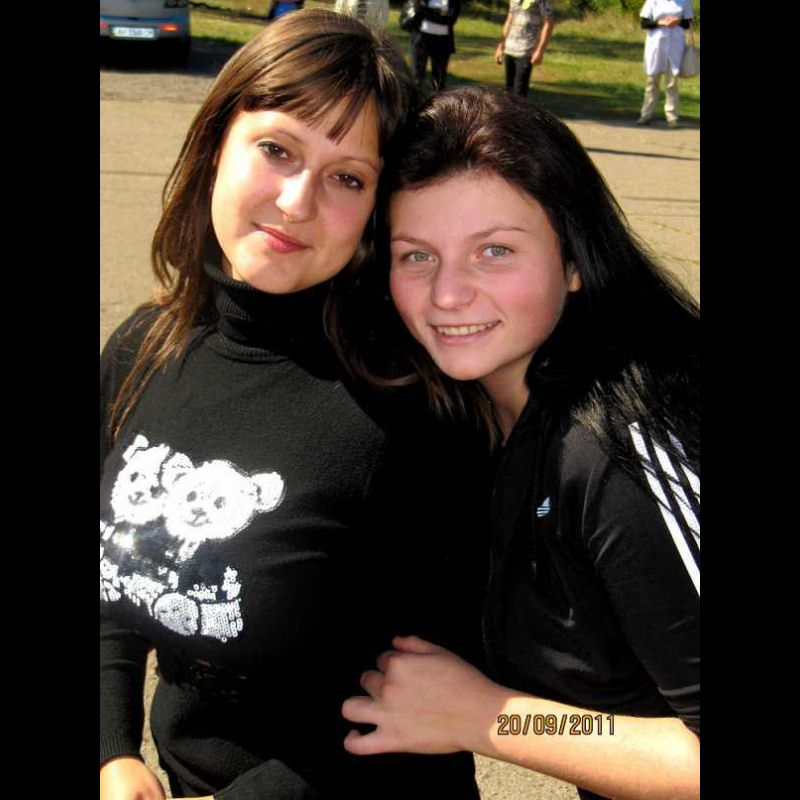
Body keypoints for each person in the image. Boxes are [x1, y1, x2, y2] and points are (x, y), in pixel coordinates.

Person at [100, 11, 484, 800]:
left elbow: (414, 716)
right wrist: (112, 753)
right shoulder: (145, 348)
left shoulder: (408, 410)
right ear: (216, 143)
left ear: (378, 210)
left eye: (348, 177)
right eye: (277, 149)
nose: (297, 200)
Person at [341, 86, 700, 800]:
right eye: (416, 256)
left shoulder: (621, 449)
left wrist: (489, 718)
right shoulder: (472, 414)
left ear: (575, 260)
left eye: (495, 251)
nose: (448, 294)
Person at [636, 0, 694, 128]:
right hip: (656, 44)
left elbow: (688, 23)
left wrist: (677, 21)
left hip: (675, 44)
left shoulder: (684, 1)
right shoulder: (653, 1)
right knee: (652, 81)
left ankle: (671, 117)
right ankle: (646, 114)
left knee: (672, 82)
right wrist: (660, 22)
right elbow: (644, 23)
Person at [495, 0, 554, 99]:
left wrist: (540, 50)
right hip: (510, 48)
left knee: (519, 94)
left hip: (526, 50)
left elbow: (549, 23)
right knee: (508, 92)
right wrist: (501, 46)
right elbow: (509, 19)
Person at [408, 0, 462, 93]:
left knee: (439, 79)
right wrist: (439, 15)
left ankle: (438, 100)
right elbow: (417, 10)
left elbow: (450, 19)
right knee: (417, 77)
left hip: (443, 41)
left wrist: (427, 12)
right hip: (421, 39)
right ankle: (415, 100)